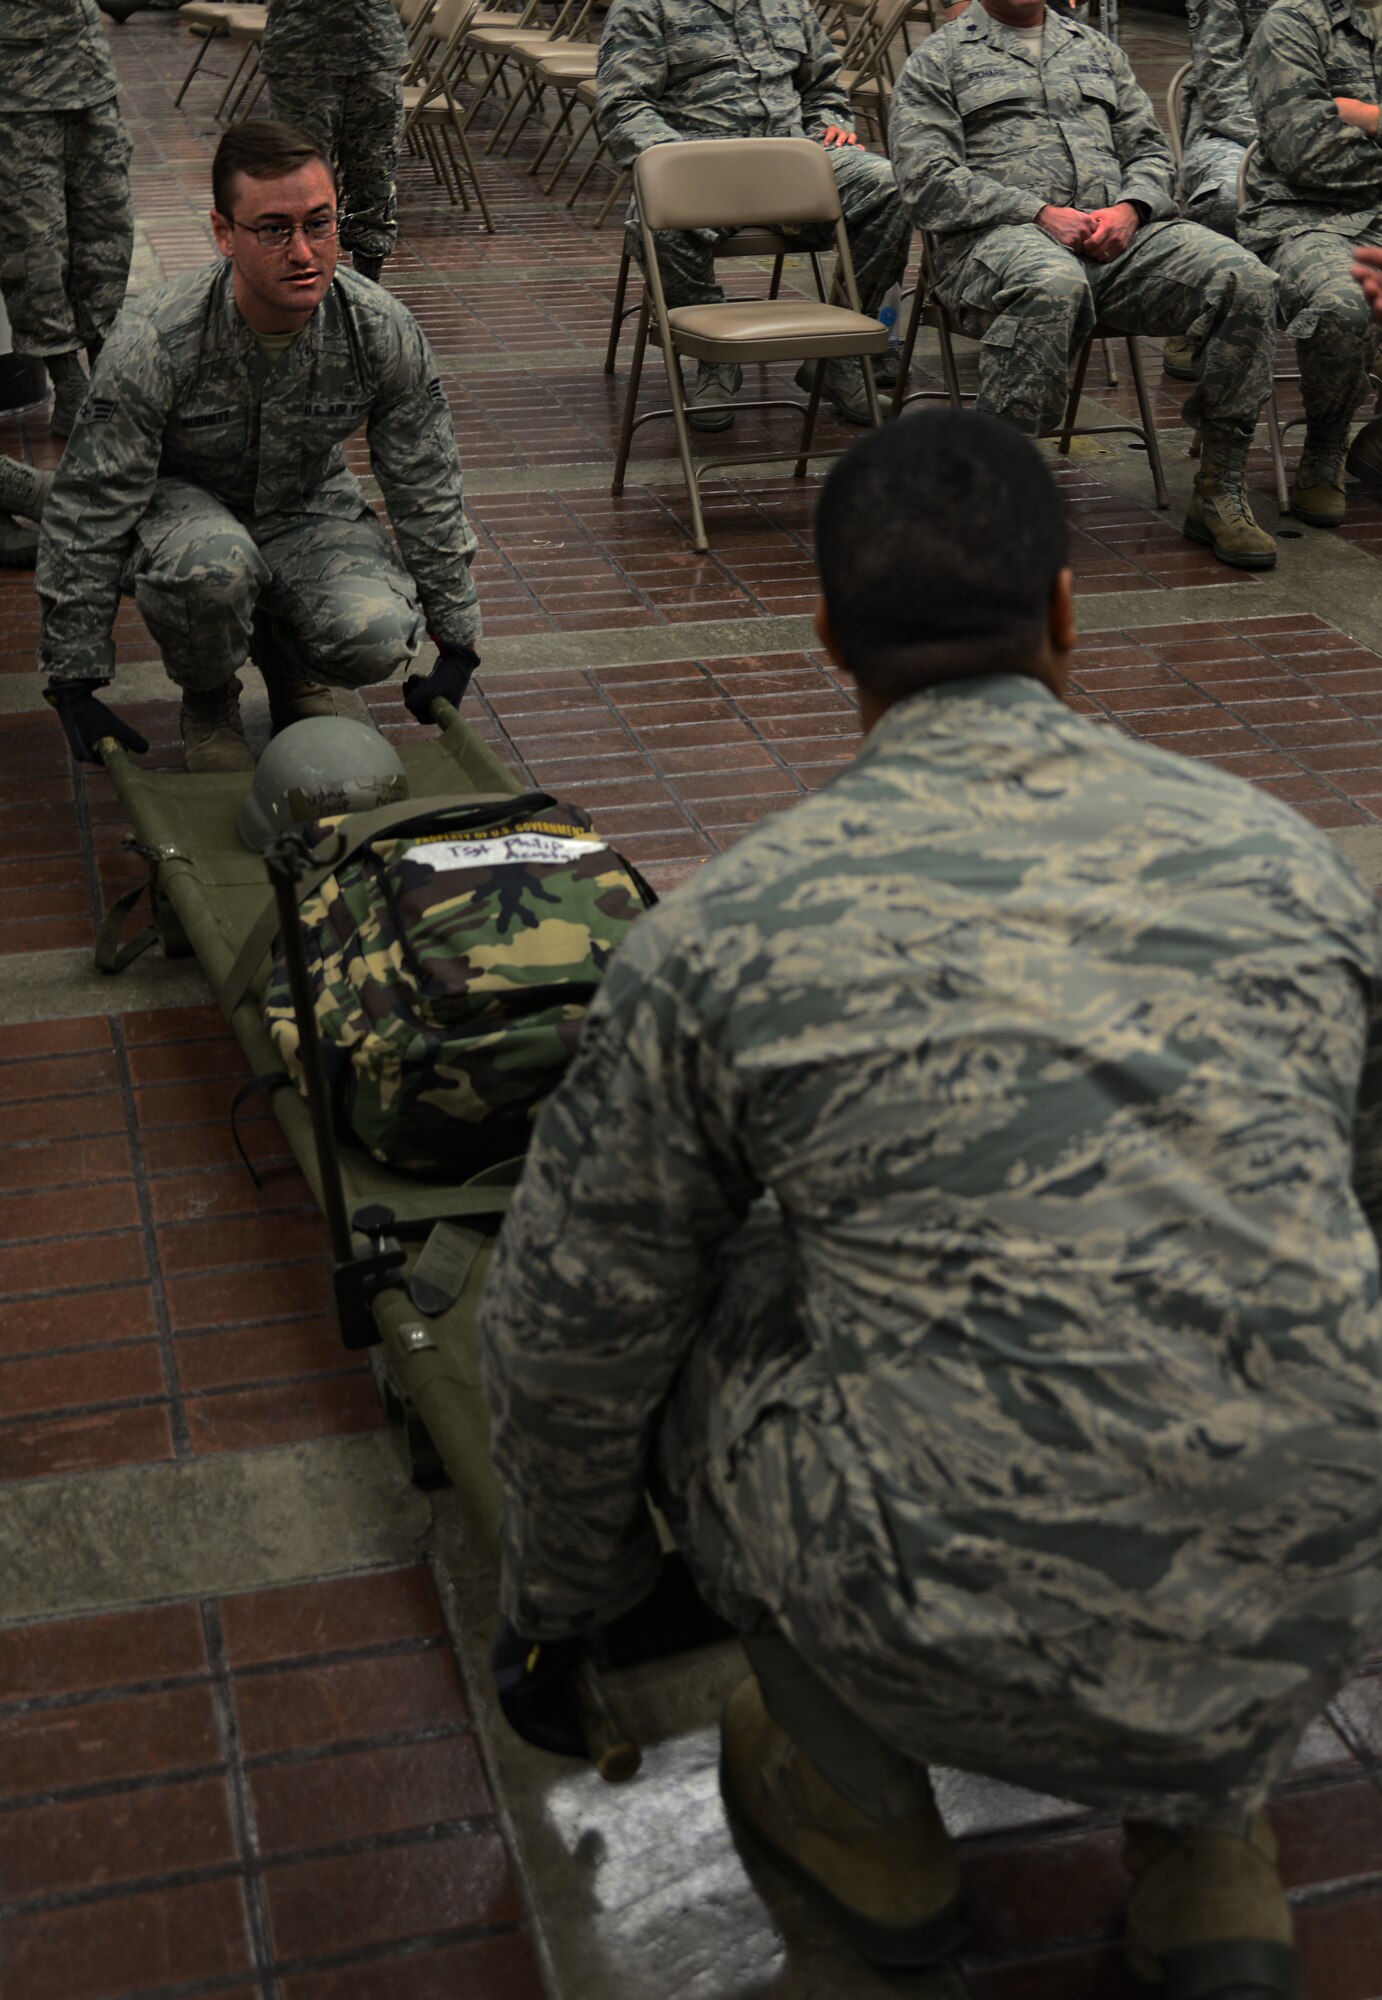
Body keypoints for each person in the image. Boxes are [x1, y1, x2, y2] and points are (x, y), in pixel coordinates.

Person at [478, 409, 1382, 1996]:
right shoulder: (1288, 866)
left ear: (827, 636)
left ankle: (863, 1826)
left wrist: (562, 1609)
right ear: (1066, 613)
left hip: (928, 1620)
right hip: (1313, 1590)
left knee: (689, 1288)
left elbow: (567, 1334)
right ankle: (1205, 1848)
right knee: (1240, 1278)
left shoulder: (723, 940)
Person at [36, 120, 481, 776]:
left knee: (378, 636)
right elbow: (91, 508)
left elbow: (427, 483)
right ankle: (210, 695)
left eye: (319, 223)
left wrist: (457, 637)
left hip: (304, 502)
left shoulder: (380, 330)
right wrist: (74, 678)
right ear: (224, 234)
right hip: (178, 503)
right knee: (212, 569)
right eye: (274, 229)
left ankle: (291, 658)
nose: (303, 252)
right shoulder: (155, 341)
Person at [887, 0, 1281, 571]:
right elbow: (926, 182)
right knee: (1051, 283)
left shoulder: (1095, 49)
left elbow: (1149, 150)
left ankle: (1220, 488)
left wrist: (1133, 207)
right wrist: (1038, 211)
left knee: (1246, 279)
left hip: (1113, 238)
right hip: (993, 243)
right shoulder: (938, 58)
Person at [594, 0, 912, 429]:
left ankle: (839, 356)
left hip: (789, 158)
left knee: (893, 187)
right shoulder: (645, 6)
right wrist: (673, 161)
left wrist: (829, 125)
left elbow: (822, 86)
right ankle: (713, 359)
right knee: (656, 213)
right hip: (698, 161)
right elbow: (624, 106)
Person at [1243, 0, 1382, 527]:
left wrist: (1366, 118)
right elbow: (1304, 153)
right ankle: (1326, 446)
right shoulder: (1294, 22)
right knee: (1347, 304)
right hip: (1304, 217)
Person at [0, 0, 134, 436]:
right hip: (14, 84)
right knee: (34, 243)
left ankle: (105, 369)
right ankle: (69, 381)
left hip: (87, 70)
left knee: (107, 225)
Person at [1162, 0, 1276, 381]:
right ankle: (1197, 320)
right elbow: (1219, 80)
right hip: (1235, 131)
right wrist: (1286, 139)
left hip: (1335, 130)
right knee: (1226, 199)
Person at [260, 0, 410, 286]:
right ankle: (298, 289)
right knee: (297, 183)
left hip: (373, 49)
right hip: (301, 54)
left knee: (374, 177)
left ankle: (367, 291)